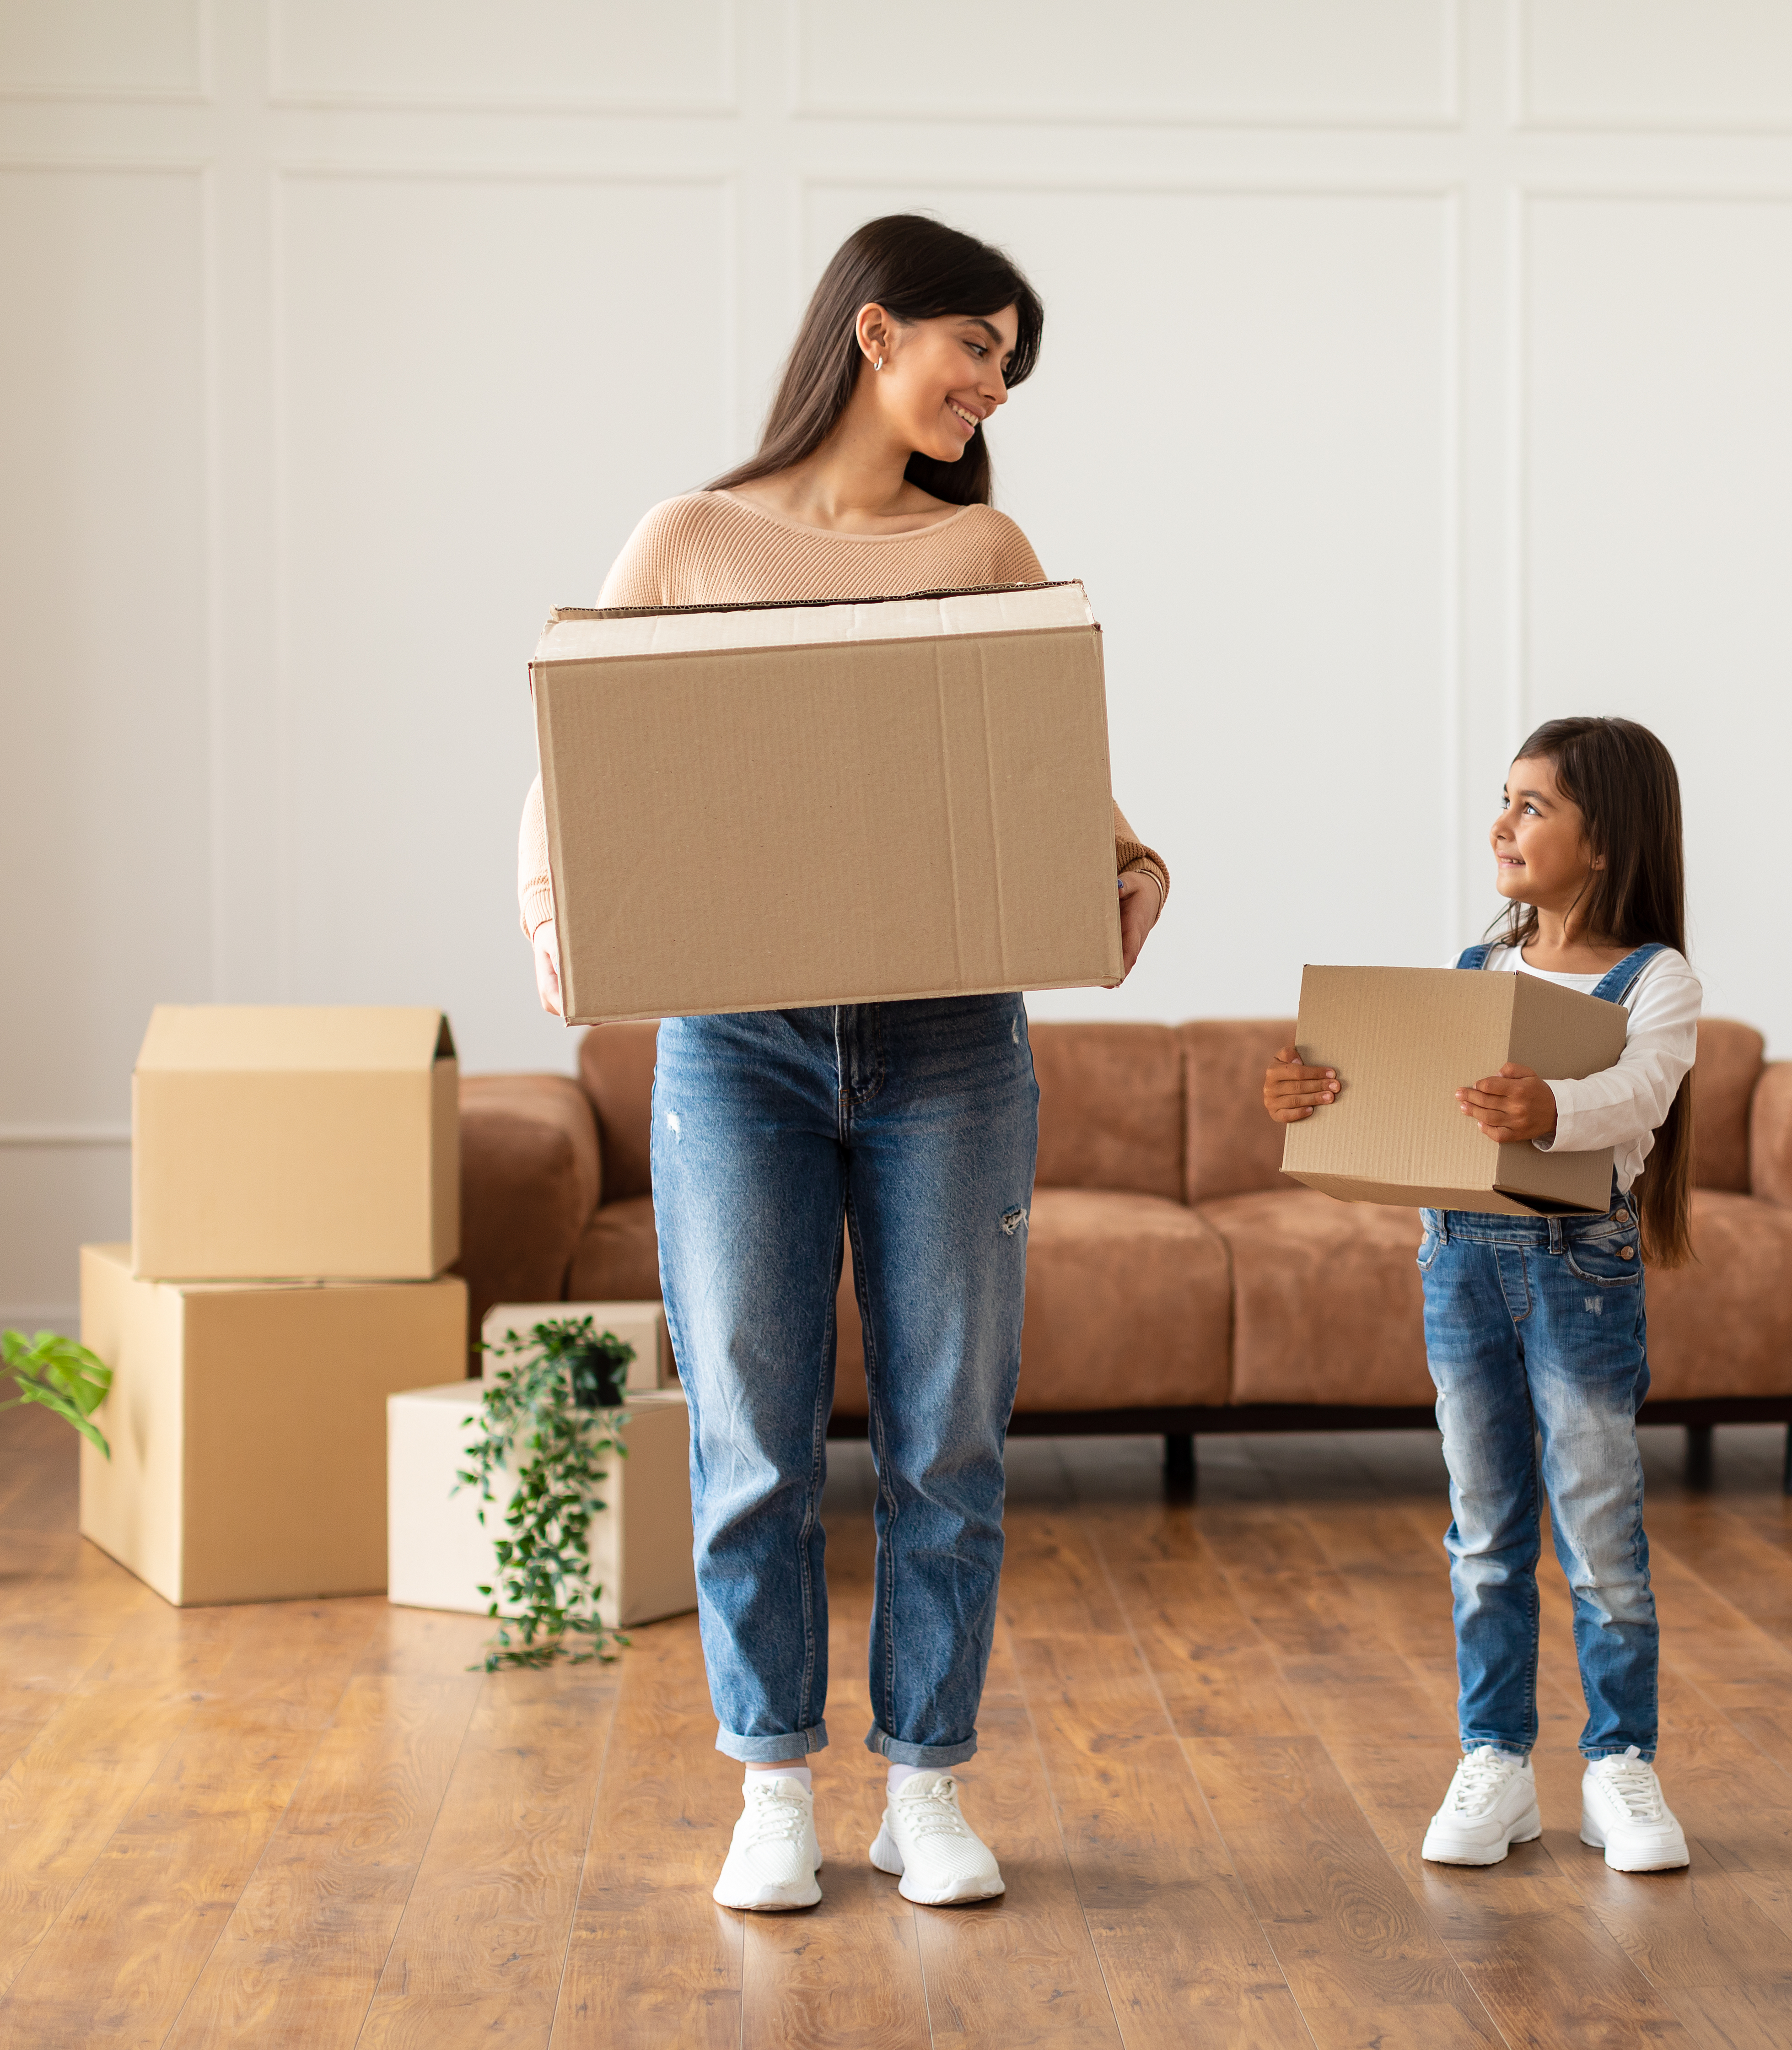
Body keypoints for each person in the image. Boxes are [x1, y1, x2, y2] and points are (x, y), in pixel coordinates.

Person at [514, 215, 1172, 1914]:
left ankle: (930, 1786)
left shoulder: (985, 552)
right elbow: (573, 774)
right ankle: (774, 1789)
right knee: (753, 1431)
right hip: (736, 1045)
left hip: (952, 1041)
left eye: (1012, 365)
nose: (992, 385)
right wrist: (555, 933)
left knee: (948, 1430)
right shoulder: (688, 541)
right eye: (978, 344)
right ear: (876, 333)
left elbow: (1059, 792)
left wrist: (1133, 871)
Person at [1264, 717, 1701, 1874]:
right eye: (1502, 800)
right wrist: (1313, 1096)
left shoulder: (1656, 981)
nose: (1501, 825)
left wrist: (1548, 1110)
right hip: (1459, 1264)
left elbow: (1639, 1093)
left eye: (1532, 806)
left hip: (1582, 1275)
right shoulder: (1475, 972)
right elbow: (1404, 1110)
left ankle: (1620, 1764)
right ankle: (1496, 1759)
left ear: (1603, 840)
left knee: (1601, 1525)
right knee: (1484, 1528)